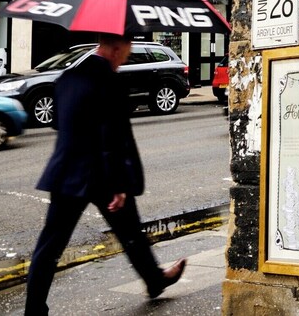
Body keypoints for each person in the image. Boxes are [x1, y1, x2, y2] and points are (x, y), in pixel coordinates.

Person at [24, 33, 186, 315]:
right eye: (126, 50)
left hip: (65, 173)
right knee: (130, 231)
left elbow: (58, 123)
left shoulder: (67, 78)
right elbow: (113, 138)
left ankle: (34, 309)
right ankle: (155, 279)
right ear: (115, 48)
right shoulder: (111, 82)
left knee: (50, 247)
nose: (127, 56)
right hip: (103, 176)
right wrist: (120, 184)